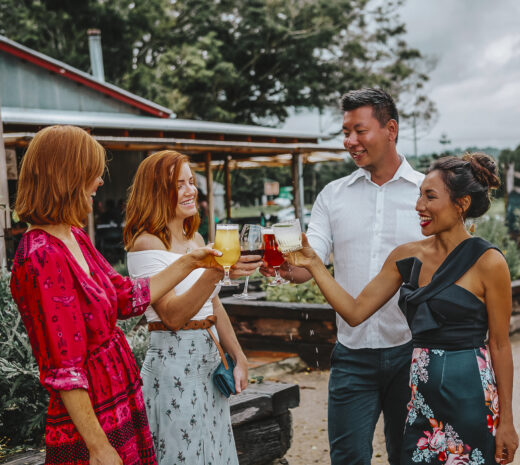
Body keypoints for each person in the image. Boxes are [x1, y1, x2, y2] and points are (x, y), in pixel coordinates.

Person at [286, 153, 519, 465]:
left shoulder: (490, 262)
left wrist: (507, 422)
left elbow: (501, 345)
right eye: (419, 194)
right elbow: (355, 312)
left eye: (430, 196)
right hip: (420, 405)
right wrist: (315, 264)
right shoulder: (406, 257)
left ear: (461, 204)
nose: (418, 205)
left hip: (471, 401)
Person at [10, 125, 223, 465]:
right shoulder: (42, 255)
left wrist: (192, 260)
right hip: (92, 421)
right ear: (67, 177)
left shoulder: (74, 237)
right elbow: (64, 369)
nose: (99, 182)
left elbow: (124, 296)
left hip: (118, 403)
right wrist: (98, 447)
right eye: (92, 174)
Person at [262, 88, 425, 465]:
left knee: (411, 457)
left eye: (359, 130)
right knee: (347, 458)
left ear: (391, 129)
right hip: (352, 354)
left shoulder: (426, 194)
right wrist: (288, 268)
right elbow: (311, 260)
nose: (350, 141)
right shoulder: (333, 195)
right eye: (345, 132)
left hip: (413, 352)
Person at [123, 150, 260, 465]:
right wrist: (218, 270)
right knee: (183, 455)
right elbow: (172, 316)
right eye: (179, 184)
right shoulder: (146, 243)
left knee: (213, 452)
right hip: (174, 364)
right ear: (157, 192)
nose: (190, 190)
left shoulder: (195, 238)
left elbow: (212, 307)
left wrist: (239, 357)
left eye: (191, 182)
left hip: (208, 361)